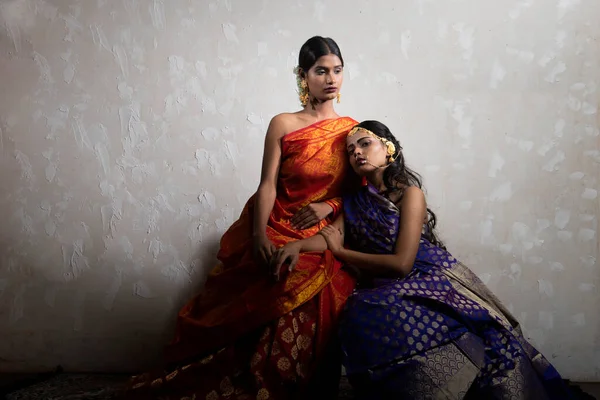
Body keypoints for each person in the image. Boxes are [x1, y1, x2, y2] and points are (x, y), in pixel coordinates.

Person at [124, 36, 359, 399]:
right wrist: (259, 236)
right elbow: (267, 185)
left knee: (303, 280)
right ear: (303, 76)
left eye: (337, 71)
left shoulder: (353, 131)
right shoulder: (283, 123)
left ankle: (291, 383)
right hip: (276, 223)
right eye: (321, 71)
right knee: (269, 274)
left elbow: (363, 193)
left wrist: (332, 206)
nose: (331, 79)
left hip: (323, 234)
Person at [271, 120, 575, 399]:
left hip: (425, 274)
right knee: (358, 312)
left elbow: (402, 263)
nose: (357, 153)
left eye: (365, 143)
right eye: (351, 151)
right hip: (380, 283)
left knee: (457, 333)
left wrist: (341, 253)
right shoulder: (354, 202)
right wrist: (297, 246)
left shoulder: (410, 194)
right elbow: (328, 236)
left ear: (388, 148)